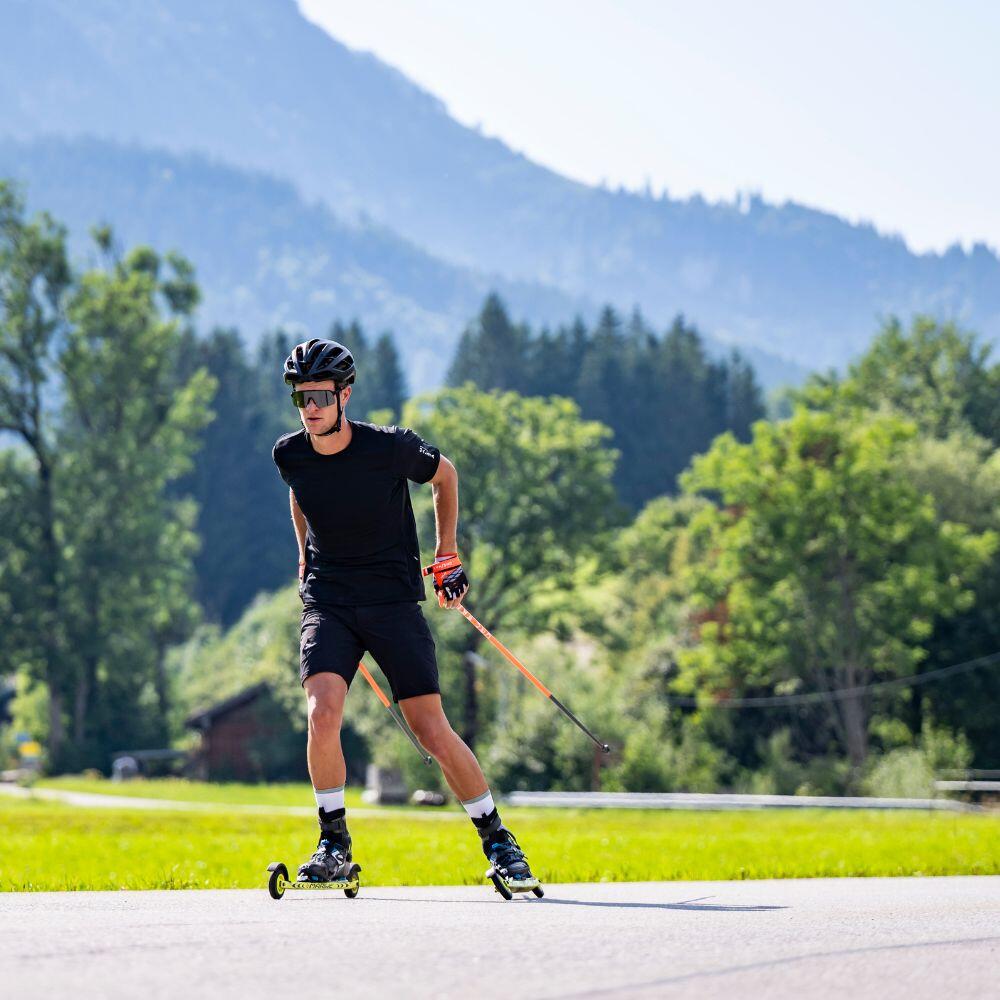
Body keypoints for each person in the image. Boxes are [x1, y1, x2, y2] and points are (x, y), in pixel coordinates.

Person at [271, 337, 536, 890]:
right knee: (322, 712)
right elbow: (300, 493)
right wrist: (303, 554)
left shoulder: (389, 447)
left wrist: (447, 555)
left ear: (345, 395)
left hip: (392, 602)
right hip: (329, 602)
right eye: (301, 397)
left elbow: (446, 476)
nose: (310, 407)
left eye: (321, 395)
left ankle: (498, 840)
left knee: (431, 729)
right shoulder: (288, 454)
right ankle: (333, 842)